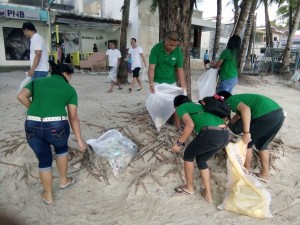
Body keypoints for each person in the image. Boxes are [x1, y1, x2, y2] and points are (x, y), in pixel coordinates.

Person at [17, 62, 86, 205]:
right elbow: (73, 117)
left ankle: (48, 196)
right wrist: (80, 140)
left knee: (44, 161)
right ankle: (63, 181)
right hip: (56, 125)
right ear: (66, 74)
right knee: (61, 150)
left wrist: (35, 109)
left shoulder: (37, 82)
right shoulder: (69, 89)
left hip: (32, 124)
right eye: (70, 75)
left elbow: (21, 96)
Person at [217, 91, 285, 183]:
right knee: (262, 146)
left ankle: (245, 172)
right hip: (278, 114)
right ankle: (265, 175)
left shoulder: (230, 101)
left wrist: (246, 132)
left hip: (265, 115)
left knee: (247, 143)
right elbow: (237, 117)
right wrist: (227, 127)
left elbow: (246, 110)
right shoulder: (240, 99)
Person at [172, 95, 229, 203]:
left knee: (188, 155)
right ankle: (208, 195)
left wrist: (179, 143)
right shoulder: (200, 106)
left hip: (211, 134)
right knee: (202, 160)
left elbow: (190, 125)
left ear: (176, 106)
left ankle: (189, 188)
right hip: (226, 135)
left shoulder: (181, 107)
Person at [148, 31, 187, 131]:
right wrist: (151, 83)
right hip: (157, 82)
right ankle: (157, 123)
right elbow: (151, 68)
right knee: (156, 104)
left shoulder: (178, 52)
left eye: (175, 45)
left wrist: (183, 85)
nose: (172, 47)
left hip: (171, 82)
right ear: (165, 39)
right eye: (170, 44)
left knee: (175, 104)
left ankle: (177, 125)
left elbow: (180, 69)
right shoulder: (156, 49)